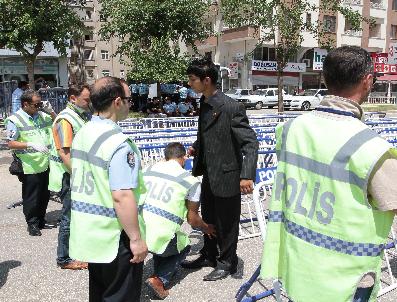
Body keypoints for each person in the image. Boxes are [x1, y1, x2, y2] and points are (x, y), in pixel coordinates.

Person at [260, 46, 397, 302]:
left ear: (325, 78)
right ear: (367, 81)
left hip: (297, 265)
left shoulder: (290, 129)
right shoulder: (372, 149)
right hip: (345, 282)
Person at [69, 77, 148, 301]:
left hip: (91, 232)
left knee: (100, 292)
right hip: (116, 236)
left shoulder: (84, 131)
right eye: (128, 99)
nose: (130, 104)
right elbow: (122, 196)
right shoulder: (119, 143)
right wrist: (135, 239)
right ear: (117, 102)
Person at [181, 58, 258, 281]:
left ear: (207, 80)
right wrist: (197, 146)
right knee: (210, 217)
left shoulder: (231, 107)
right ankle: (209, 254)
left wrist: (246, 175)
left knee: (227, 222)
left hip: (227, 175)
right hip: (209, 174)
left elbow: (250, 143)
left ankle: (227, 262)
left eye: (193, 79)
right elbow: (207, 134)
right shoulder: (204, 104)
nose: (190, 83)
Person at [140, 142, 216, 299]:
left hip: (136, 231)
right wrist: (206, 228)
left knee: (165, 238)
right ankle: (159, 280)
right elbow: (193, 220)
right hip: (158, 236)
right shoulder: (190, 180)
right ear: (184, 158)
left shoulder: (147, 170)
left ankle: (156, 271)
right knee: (183, 244)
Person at [48, 84, 92, 270]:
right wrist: (79, 176)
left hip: (77, 175)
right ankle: (64, 258)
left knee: (77, 217)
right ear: (73, 98)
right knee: (68, 218)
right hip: (70, 177)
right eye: (86, 99)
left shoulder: (79, 116)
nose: (89, 102)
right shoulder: (65, 119)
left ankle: (77, 252)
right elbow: (64, 153)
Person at [5, 90, 57, 236]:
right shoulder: (14, 120)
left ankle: (41, 219)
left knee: (44, 194)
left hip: (45, 162)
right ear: (25, 104)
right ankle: (32, 223)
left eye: (40, 103)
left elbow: (58, 123)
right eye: (36, 104)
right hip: (29, 165)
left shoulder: (41, 115)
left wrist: (51, 111)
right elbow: (10, 143)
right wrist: (29, 144)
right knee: (32, 196)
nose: (39, 106)